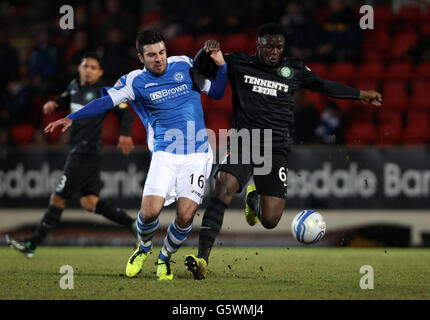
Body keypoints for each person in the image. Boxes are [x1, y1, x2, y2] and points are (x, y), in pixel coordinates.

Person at [185, 22, 382, 280]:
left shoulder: (294, 69)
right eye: (269, 46)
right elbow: (199, 70)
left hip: (276, 148)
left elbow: (323, 85)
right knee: (223, 187)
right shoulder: (239, 63)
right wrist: (204, 51)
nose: (274, 51)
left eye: (279, 46)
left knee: (270, 220)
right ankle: (202, 259)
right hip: (245, 140)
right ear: (258, 45)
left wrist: (359, 94)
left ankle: (253, 197)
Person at [43, 30, 227, 280]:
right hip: (165, 153)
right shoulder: (133, 82)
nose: (159, 58)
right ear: (141, 57)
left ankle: (164, 258)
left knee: (185, 216)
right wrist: (71, 117)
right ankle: (143, 248)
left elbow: (216, 92)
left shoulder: (184, 64)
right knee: (150, 212)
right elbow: (104, 103)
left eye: (162, 52)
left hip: (197, 154)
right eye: (152, 55)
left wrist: (221, 65)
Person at [6, 52, 137, 258]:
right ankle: (133, 224)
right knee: (90, 202)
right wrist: (54, 104)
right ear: (79, 68)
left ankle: (32, 245)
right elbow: (66, 98)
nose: (88, 70)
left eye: (93, 67)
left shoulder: (105, 92)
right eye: (85, 66)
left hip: (86, 152)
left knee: (58, 198)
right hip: (82, 151)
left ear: (100, 72)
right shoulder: (74, 85)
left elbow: (126, 112)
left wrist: (125, 134)